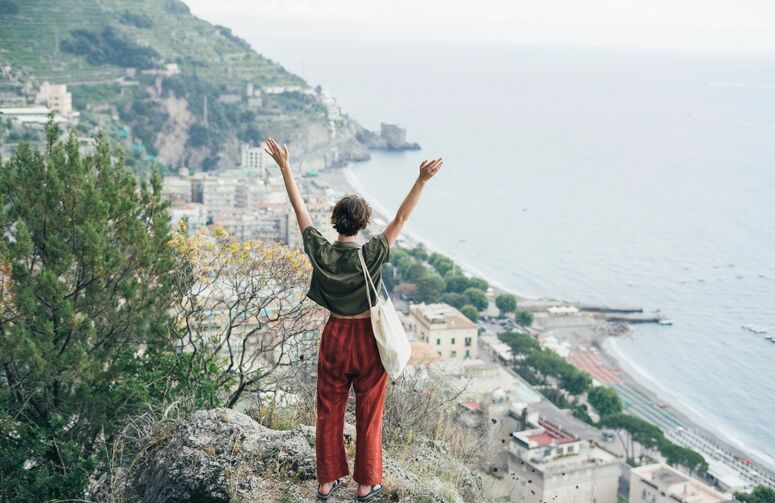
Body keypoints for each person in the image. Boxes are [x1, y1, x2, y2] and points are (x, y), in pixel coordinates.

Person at [264, 138, 442, 501]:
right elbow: (402, 218)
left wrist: (285, 167)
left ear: (335, 222)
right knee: (369, 412)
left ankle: (326, 483)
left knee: (328, 411)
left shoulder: (321, 252)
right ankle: (366, 484)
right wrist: (421, 180)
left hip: (335, 336)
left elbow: (300, 213)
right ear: (363, 224)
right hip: (368, 339)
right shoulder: (373, 253)